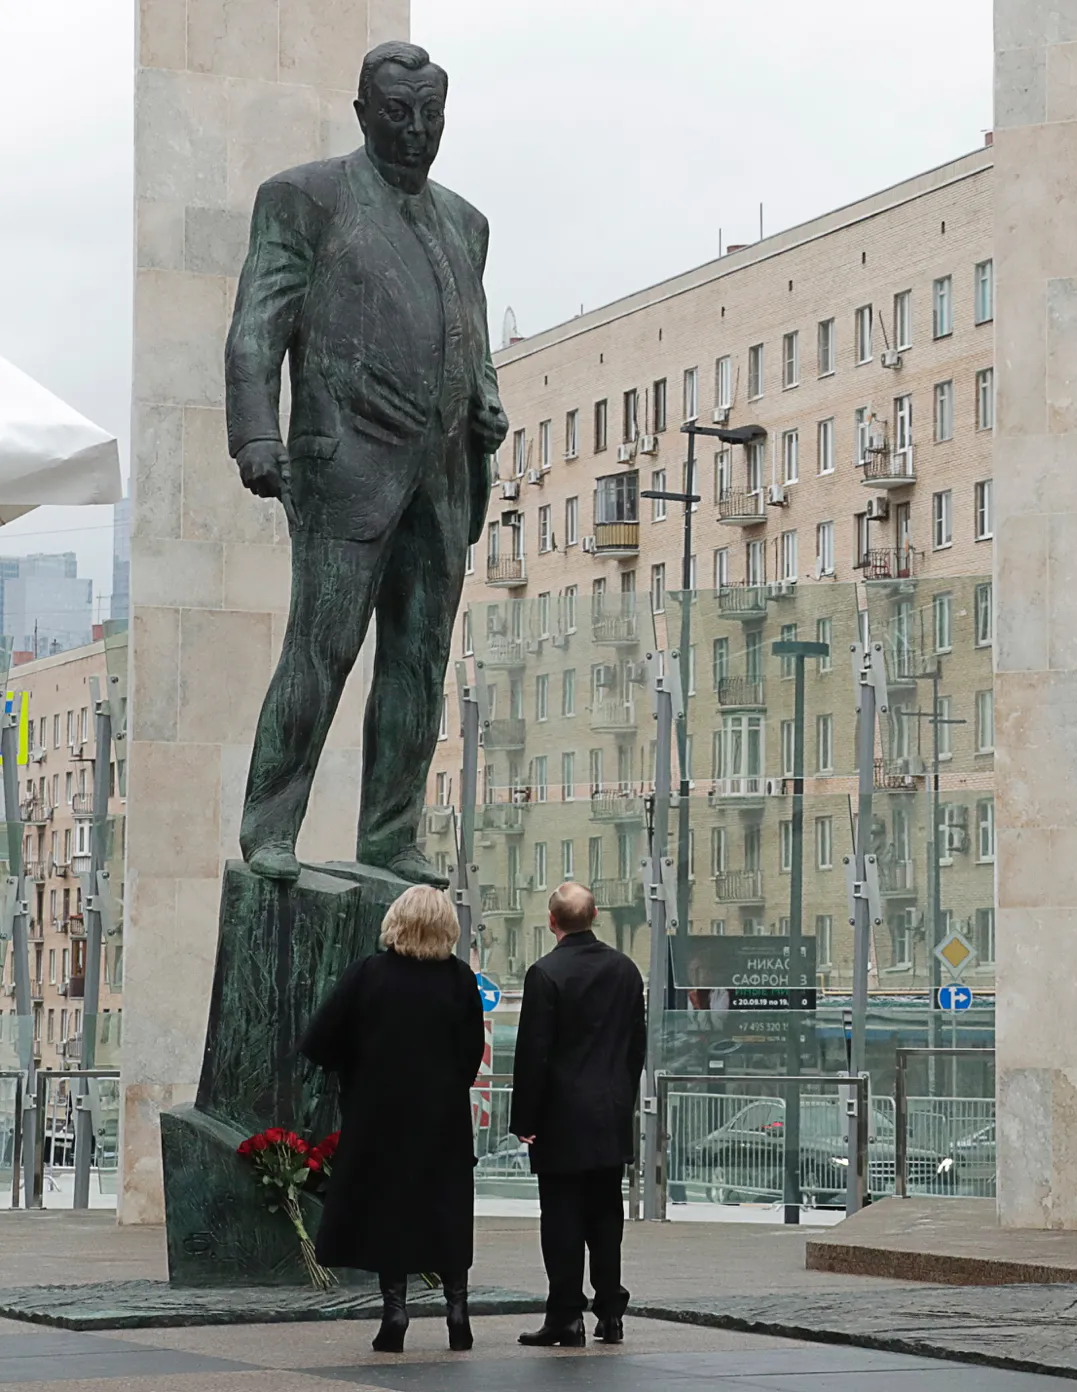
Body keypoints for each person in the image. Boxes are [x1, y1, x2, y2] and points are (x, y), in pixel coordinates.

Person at [224, 41, 506, 885]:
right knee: (320, 650)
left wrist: (487, 395)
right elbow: (255, 327)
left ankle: (391, 834)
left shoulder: (467, 222)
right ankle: (268, 827)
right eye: (398, 114)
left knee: (418, 663)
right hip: (343, 464)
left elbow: (469, 333)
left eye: (431, 116)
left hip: (444, 473)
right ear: (362, 113)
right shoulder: (304, 198)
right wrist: (255, 434)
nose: (417, 131)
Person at [300, 884, 485, 1353]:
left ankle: (395, 1312)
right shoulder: (461, 979)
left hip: (379, 1117)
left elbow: (320, 1040)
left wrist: (358, 1066)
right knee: (446, 1210)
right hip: (442, 1119)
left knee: (389, 1212)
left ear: (396, 922)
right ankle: (457, 1309)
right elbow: (470, 1056)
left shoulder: (369, 974)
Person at [511, 882, 648, 1347]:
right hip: (609, 1113)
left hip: (560, 1119)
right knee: (607, 1216)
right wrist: (621, 1099)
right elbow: (636, 1046)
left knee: (562, 1218)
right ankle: (611, 1313)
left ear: (552, 922)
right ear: (595, 916)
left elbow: (534, 1053)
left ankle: (566, 1315)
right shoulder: (626, 971)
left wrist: (524, 1120)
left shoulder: (545, 974)